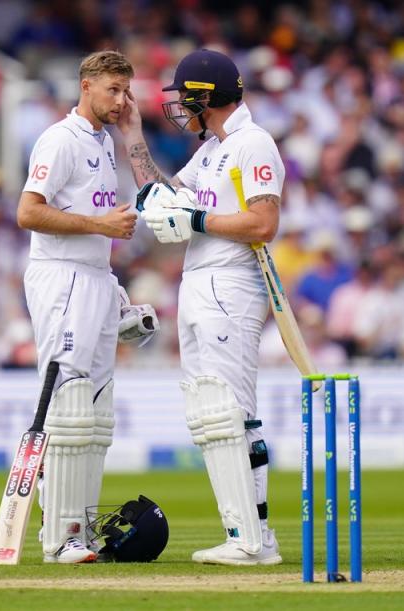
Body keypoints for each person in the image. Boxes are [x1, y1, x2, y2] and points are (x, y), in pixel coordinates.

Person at [118, 48, 284, 565]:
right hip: (202, 280)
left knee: (230, 412)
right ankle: (249, 535)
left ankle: (251, 540)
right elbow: (163, 200)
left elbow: (263, 224)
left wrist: (199, 222)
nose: (178, 106)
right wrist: (131, 137)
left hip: (231, 283)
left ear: (205, 98)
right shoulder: (214, 148)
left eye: (183, 97)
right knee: (214, 413)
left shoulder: (253, 143)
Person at [17, 50, 155, 564]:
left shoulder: (104, 140)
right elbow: (28, 212)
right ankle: (58, 537)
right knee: (70, 405)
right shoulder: (60, 138)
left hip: (95, 277)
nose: (120, 101)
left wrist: (112, 288)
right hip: (61, 279)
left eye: (126, 91)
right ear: (86, 86)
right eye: (112, 90)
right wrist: (101, 228)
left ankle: (80, 527)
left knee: (96, 416)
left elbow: (123, 204)